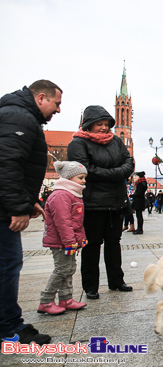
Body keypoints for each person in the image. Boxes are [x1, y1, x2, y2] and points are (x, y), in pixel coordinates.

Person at [0, 80, 62, 345]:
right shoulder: (21, 119)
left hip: (10, 201)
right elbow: (7, 164)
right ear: (40, 97)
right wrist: (17, 207)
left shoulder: (17, 114)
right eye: (56, 103)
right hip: (4, 209)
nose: (58, 110)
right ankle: (9, 328)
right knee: (7, 265)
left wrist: (30, 200)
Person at [67, 105, 135, 300]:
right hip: (92, 203)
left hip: (115, 202)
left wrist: (113, 173)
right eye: (99, 124)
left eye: (106, 124)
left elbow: (129, 162)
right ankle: (90, 286)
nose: (104, 128)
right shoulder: (78, 143)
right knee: (92, 245)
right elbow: (84, 171)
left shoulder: (116, 141)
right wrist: (117, 173)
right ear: (89, 125)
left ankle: (116, 281)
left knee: (114, 243)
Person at [38, 161, 88, 315]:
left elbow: (77, 222)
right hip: (61, 243)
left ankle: (66, 298)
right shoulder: (61, 195)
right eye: (80, 177)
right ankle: (46, 301)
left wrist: (81, 239)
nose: (84, 181)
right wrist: (70, 241)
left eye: (84, 177)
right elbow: (63, 221)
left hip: (68, 242)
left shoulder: (72, 194)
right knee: (62, 270)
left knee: (69, 269)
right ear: (68, 178)